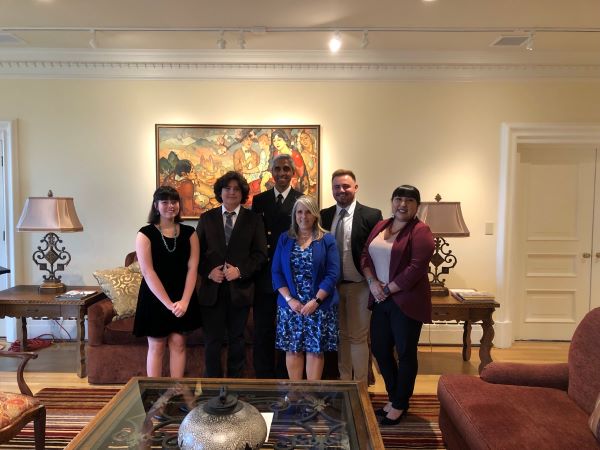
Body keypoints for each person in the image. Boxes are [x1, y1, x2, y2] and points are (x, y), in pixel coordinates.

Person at [360, 185, 434, 425]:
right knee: (380, 349)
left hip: (406, 301)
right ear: (391, 202)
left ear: (417, 205)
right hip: (380, 299)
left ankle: (400, 403)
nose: (403, 204)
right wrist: (372, 282)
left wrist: (387, 289)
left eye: (409, 200)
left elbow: (416, 268)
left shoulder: (421, 231)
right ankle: (394, 396)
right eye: (398, 199)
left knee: (405, 353)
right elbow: (365, 255)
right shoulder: (381, 225)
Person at [196, 171, 267, 378]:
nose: (232, 192)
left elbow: (261, 254)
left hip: (240, 291)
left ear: (243, 193)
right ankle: (212, 389)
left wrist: (241, 271)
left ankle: (236, 389)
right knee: (212, 342)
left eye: (237, 189)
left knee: (237, 341)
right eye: (227, 188)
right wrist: (208, 272)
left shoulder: (254, 220)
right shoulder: (207, 218)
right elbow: (195, 254)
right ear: (220, 192)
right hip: (211, 291)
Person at [320, 169, 382, 383]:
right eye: (337, 186)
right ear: (332, 189)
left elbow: (377, 251)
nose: (341, 190)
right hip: (332, 289)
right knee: (341, 337)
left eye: (346, 186)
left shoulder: (371, 215)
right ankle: (345, 384)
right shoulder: (324, 215)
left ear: (355, 187)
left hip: (360, 286)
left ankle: (361, 386)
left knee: (357, 337)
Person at [133, 186, 200, 377]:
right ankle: (155, 397)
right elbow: (148, 271)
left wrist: (185, 301)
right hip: (155, 297)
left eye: (174, 201)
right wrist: (169, 304)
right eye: (165, 202)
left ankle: (176, 392)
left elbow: (192, 268)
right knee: (157, 345)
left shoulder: (190, 233)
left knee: (179, 343)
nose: (171, 206)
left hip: (182, 296)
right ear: (156, 206)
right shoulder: (145, 234)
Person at [272, 195, 340, 380]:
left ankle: (311, 399)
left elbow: (332, 274)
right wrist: (290, 300)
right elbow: (276, 273)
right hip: (291, 307)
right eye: (299, 212)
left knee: (314, 350)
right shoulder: (284, 239)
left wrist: (316, 301)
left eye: (308, 211)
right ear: (294, 215)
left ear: (315, 215)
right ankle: (295, 397)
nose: (304, 216)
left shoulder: (327, 239)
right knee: (293, 350)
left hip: (318, 306)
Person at [251, 154, 303, 378]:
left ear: (293, 173)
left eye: (286, 169)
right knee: (263, 328)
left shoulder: (302, 200)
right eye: (278, 169)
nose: (282, 173)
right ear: (271, 173)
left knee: (287, 328)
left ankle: (283, 378)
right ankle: (263, 378)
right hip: (263, 273)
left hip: (289, 274)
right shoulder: (259, 201)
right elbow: (255, 236)